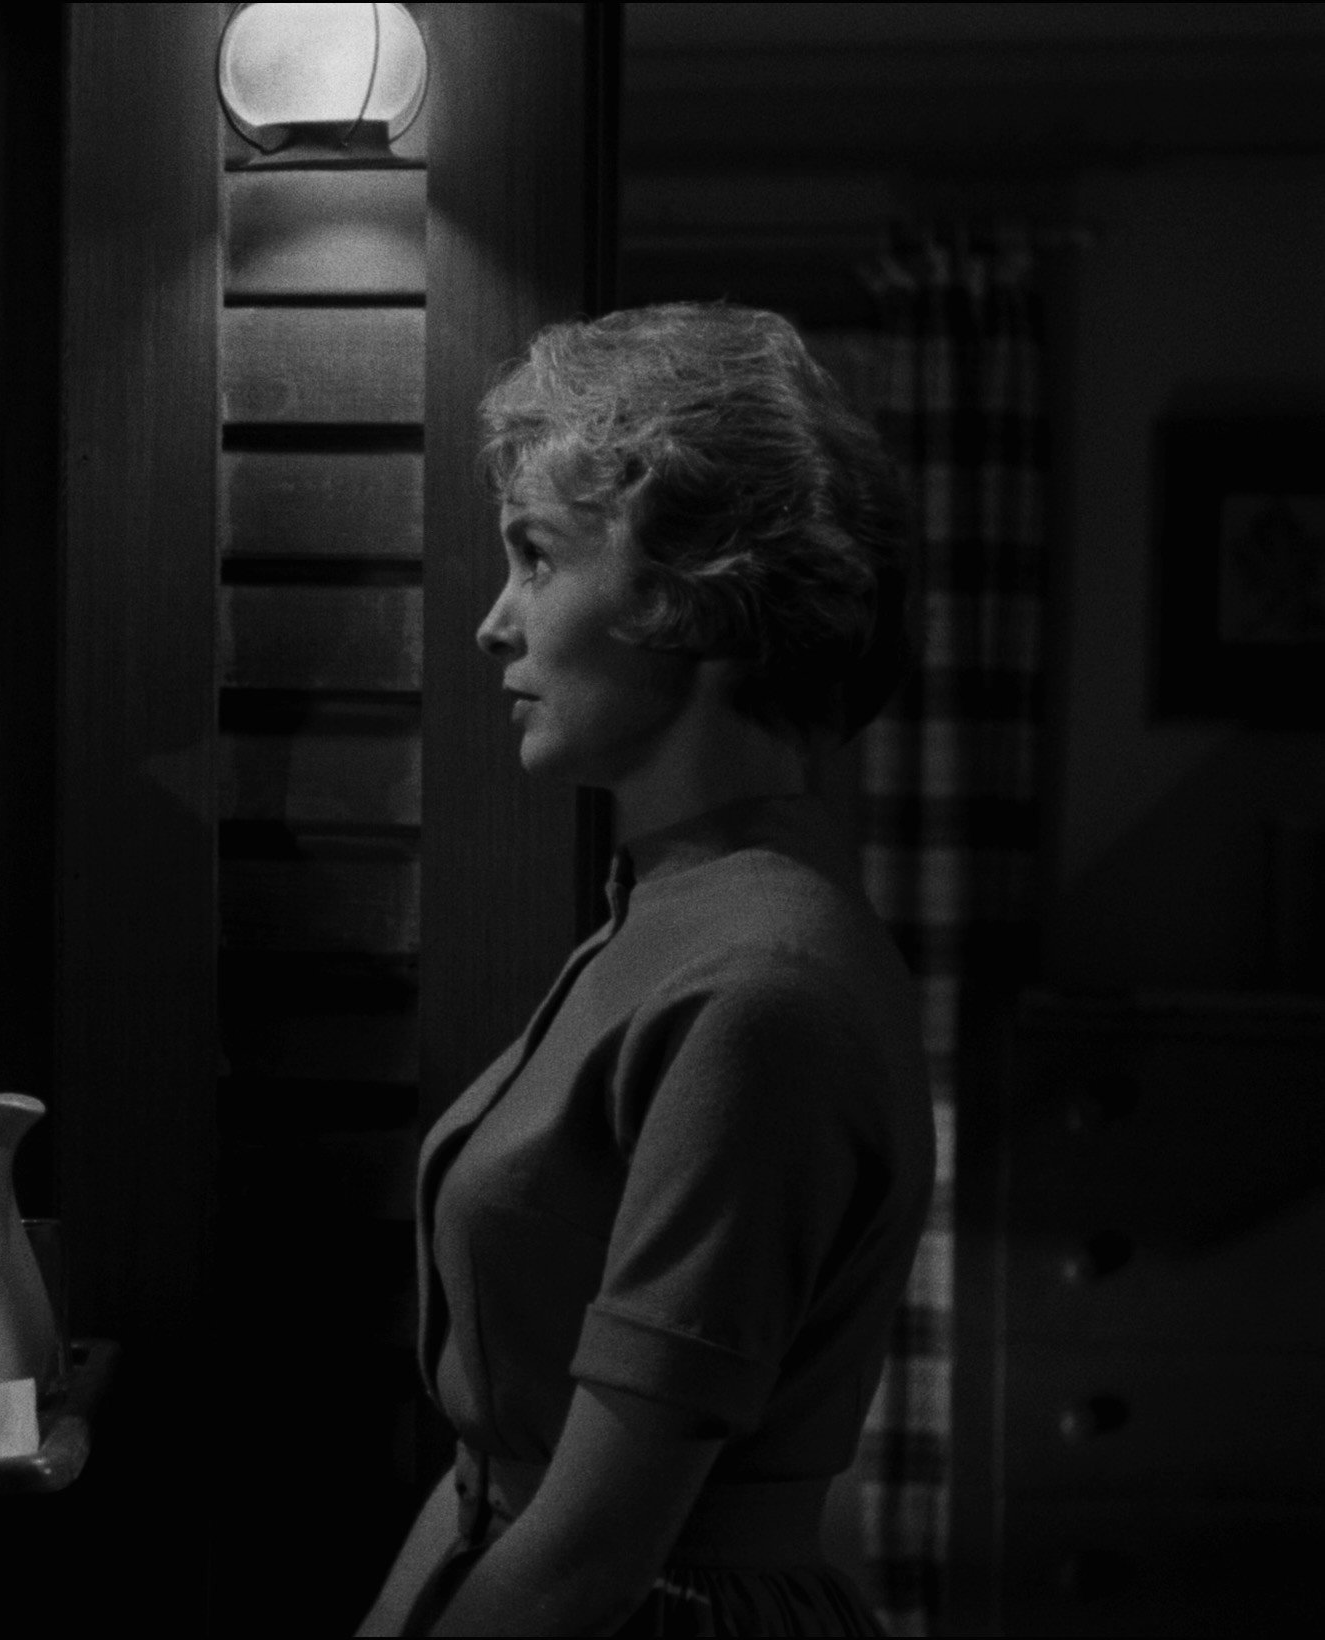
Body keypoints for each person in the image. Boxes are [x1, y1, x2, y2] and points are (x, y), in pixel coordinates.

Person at [361, 304, 932, 1635]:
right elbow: (498, 1475)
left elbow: (590, 1552)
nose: (496, 624)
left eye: (537, 557)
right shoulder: (669, 912)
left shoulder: (761, 983)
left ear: (695, 591)